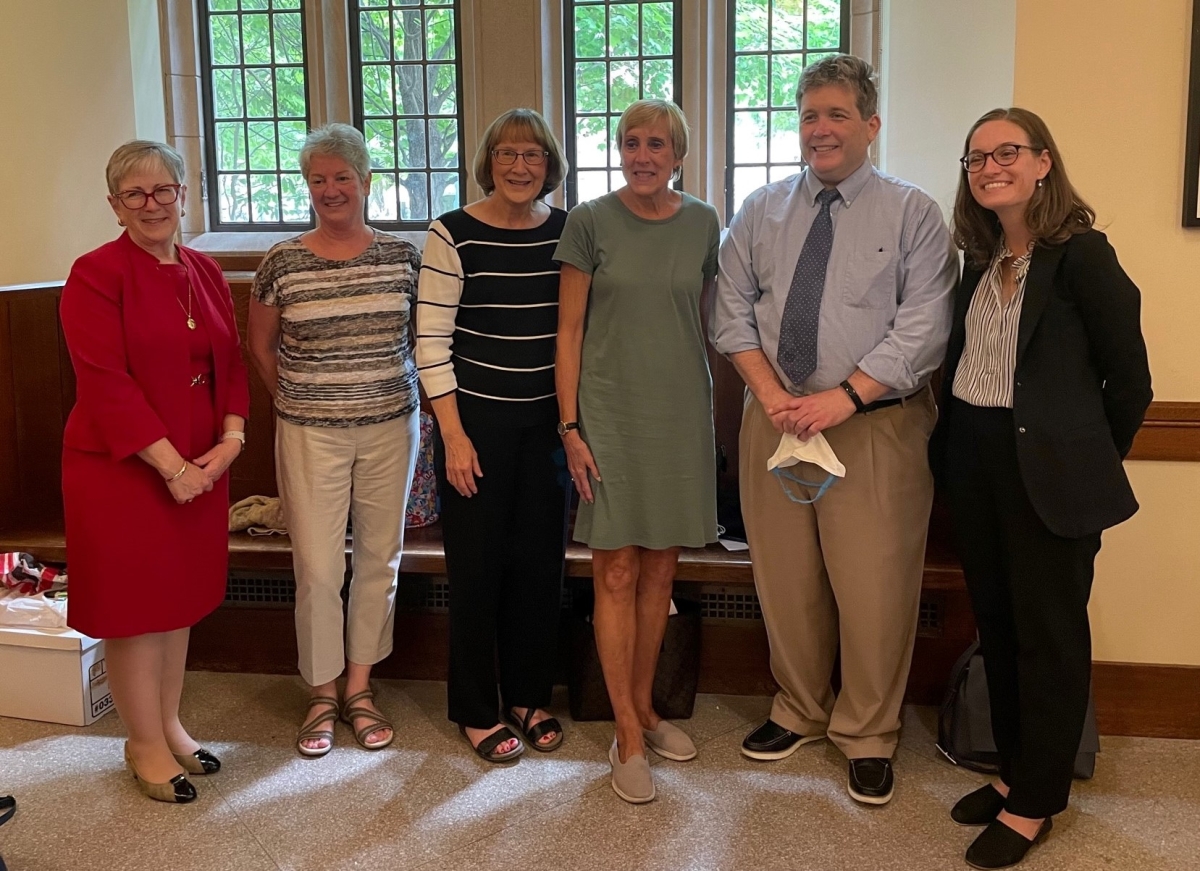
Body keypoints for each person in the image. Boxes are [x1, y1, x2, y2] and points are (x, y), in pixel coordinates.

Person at [712, 54, 958, 806]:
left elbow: (925, 327)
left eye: (837, 114)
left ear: (871, 124)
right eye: (810, 114)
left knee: (875, 587)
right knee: (785, 579)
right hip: (777, 421)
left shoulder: (913, 212)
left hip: (872, 428)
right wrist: (771, 392)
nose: (821, 129)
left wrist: (842, 399)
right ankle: (800, 709)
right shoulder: (761, 210)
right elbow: (731, 308)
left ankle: (868, 732)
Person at [931, 107, 1151, 869]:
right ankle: (1014, 774)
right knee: (998, 628)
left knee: (1049, 639)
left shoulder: (1082, 256)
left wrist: (1085, 457)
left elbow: (1130, 379)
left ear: (1044, 162)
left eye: (1007, 152)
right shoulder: (981, 261)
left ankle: (1037, 802)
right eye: (976, 158)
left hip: (1049, 476)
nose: (990, 167)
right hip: (976, 462)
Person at [60, 141, 249, 803]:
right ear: (115, 206)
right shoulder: (94, 274)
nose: (151, 204)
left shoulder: (204, 269)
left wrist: (231, 438)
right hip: (125, 470)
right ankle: (140, 741)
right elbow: (105, 383)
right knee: (135, 609)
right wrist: (171, 465)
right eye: (134, 194)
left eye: (162, 190)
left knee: (178, 603)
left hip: (201, 464)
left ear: (183, 194)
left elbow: (230, 360)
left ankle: (167, 722)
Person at [554, 99, 721, 803]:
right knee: (614, 574)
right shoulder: (589, 219)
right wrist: (570, 429)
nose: (642, 154)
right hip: (609, 417)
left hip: (680, 416)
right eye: (630, 142)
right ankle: (625, 730)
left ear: (678, 153)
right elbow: (567, 332)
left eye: (657, 143)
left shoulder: (706, 222)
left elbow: (713, 317)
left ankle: (648, 707)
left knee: (660, 577)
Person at [247, 124, 421, 757]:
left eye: (342, 177)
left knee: (380, 560)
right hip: (308, 433)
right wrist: (298, 399)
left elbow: (423, 343)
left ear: (367, 181)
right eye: (318, 180)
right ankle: (320, 693)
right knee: (318, 568)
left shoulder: (405, 257)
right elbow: (261, 346)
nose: (330, 190)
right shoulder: (283, 261)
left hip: (389, 427)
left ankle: (359, 689)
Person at [416, 108, 570, 763]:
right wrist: (453, 435)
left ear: (549, 166)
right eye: (506, 153)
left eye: (532, 155)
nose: (518, 166)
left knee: (540, 568)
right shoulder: (451, 233)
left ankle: (530, 695)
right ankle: (477, 707)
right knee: (475, 569)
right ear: (488, 161)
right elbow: (430, 342)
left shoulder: (569, 231)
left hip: (548, 427)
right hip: (472, 425)